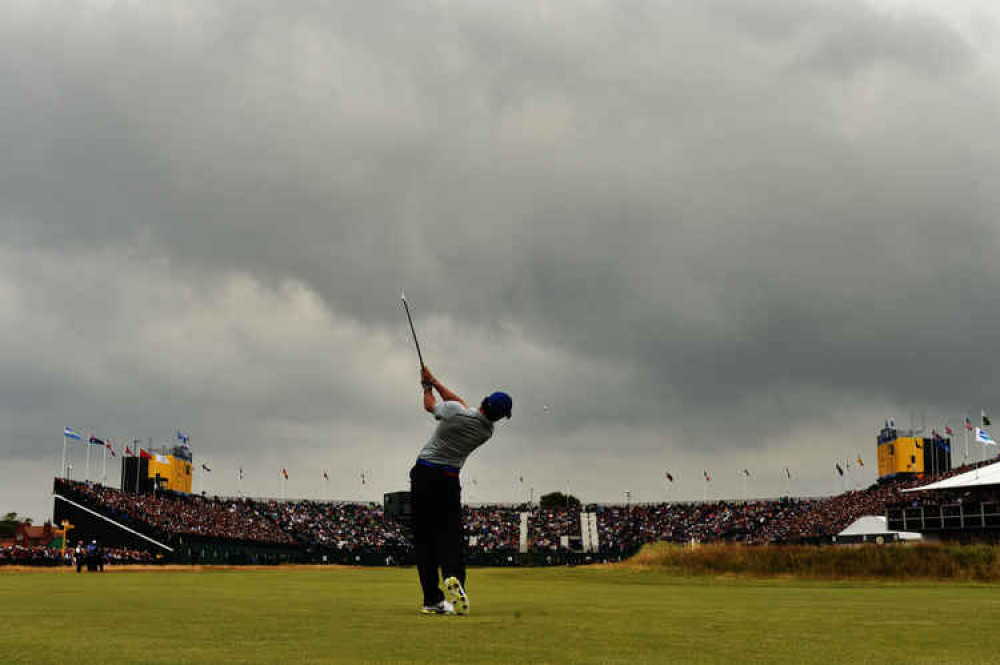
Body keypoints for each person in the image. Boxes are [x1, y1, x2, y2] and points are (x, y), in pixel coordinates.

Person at [411, 366, 512, 615]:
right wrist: (434, 380)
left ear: (483, 401)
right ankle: (454, 577)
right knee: (450, 535)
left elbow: (431, 406)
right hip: (449, 478)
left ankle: (431, 600)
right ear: (499, 417)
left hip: (424, 473)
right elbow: (461, 406)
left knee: (425, 538)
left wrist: (427, 387)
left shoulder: (455, 413)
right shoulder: (486, 431)